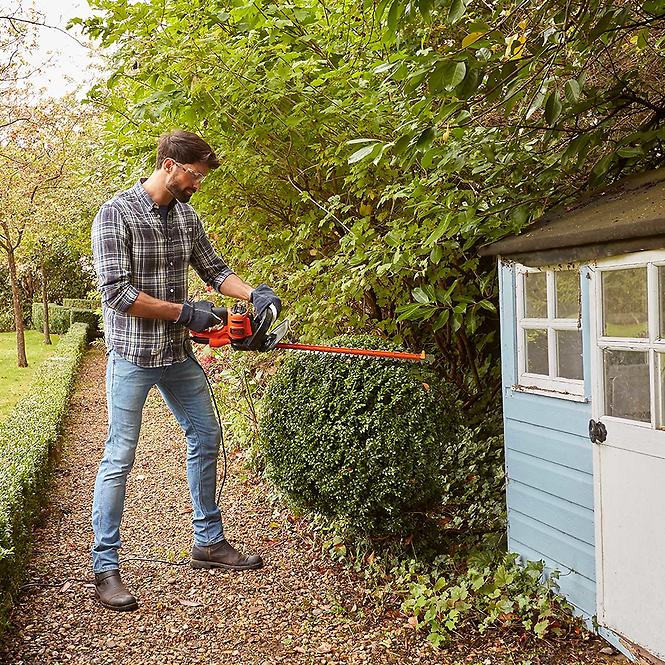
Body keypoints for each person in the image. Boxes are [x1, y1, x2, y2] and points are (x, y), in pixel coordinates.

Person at [90, 130, 281, 612]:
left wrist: (253, 293)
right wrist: (185, 313)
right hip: (132, 357)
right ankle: (105, 566)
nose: (197, 185)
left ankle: (208, 541)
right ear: (171, 165)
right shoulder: (116, 215)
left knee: (206, 436)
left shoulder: (188, 218)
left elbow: (214, 269)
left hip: (177, 357)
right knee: (119, 458)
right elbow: (117, 296)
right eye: (194, 176)